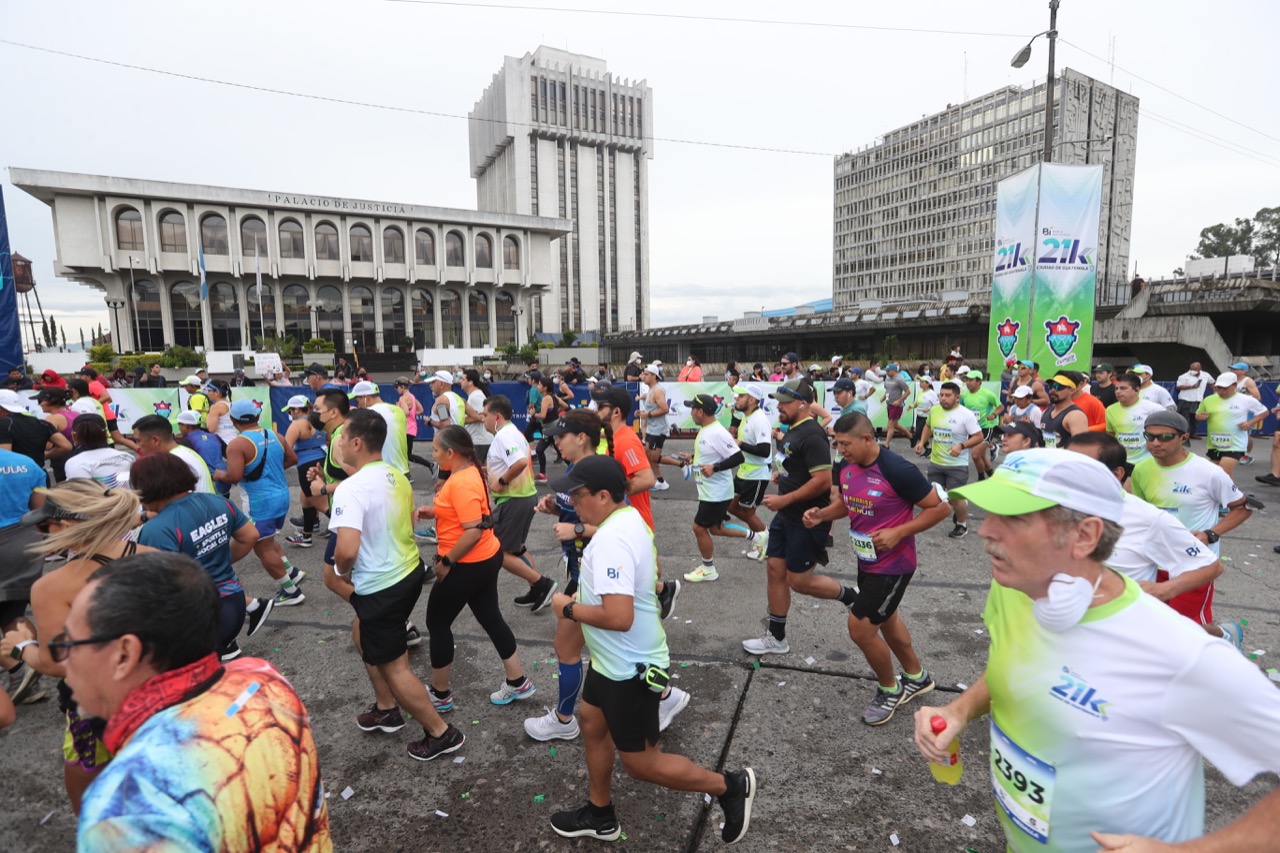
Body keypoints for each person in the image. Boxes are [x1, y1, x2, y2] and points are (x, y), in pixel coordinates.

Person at [912, 448, 1280, 853]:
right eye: (991, 513)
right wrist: (958, 710)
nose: (985, 530)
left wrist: (1187, 852)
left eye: (1012, 518)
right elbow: (1013, 667)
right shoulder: (1015, 589)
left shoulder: (1180, 654)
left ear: (1084, 536)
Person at [545, 455, 757, 844]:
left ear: (604, 495)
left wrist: (568, 607)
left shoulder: (611, 538)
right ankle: (600, 813)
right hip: (610, 662)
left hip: (629, 668)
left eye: (577, 495)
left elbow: (618, 615)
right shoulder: (624, 520)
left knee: (642, 763)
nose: (572, 502)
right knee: (592, 723)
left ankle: (729, 786)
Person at [62, 552, 333, 850]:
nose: (63, 661)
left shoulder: (127, 809)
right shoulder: (262, 677)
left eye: (70, 644)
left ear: (124, 654)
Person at [801, 413, 948, 724]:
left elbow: (940, 508)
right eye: (836, 444)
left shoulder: (897, 469)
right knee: (887, 618)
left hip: (894, 565)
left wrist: (899, 531)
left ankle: (890, 689)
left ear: (867, 439)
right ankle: (917, 677)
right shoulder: (846, 467)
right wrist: (821, 514)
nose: (840, 450)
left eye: (845, 444)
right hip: (866, 559)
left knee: (861, 628)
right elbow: (849, 502)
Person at [413, 424, 535, 714]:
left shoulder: (461, 481)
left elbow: (472, 531)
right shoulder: (468, 473)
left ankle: (440, 694)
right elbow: (473, 514)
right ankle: (518, 682)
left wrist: (446, 562)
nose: (433, 454)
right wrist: (436, 511)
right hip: (484, 559)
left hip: (468, 563)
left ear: (451, 453)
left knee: (438, 623)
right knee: (491, 618)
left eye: (435, 450)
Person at [1065, 431, 1226, 631]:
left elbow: (1210, 566)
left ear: (1116, 474)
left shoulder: (1148, 518)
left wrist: (1163, 590)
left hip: (1126, 630)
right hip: (1068, 623)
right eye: (1066, 467)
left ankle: (1225, 635)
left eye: (1083, 469)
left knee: (1183, 633)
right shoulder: (1053, 508)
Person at [132, 453, 273, 661]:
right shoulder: (218, 502)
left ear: (146, 487)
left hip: (199, 617)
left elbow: (158, 590)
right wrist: (218, 560)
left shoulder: (157, 529)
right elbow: (250, 535)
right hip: (233, 602)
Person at [1130, 410, 1251, 649]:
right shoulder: (1141, 469)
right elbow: (1143, 513)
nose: (1155, 443)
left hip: (1194, 565)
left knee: (1186, 628)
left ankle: (1226, 636)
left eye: (1165, 437)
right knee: (1159, 624)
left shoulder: (1209, 472)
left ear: (1184, 437)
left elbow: (1242, 508)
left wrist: (1210, 533)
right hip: (1156, 561)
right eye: (1150, 436)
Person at [741, 378, 844, 656]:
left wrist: (785, 498)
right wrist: (782, 474)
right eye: (778, 400)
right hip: (785, 517)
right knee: (774, 569)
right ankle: (777, 637)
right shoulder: (793, 431)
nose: (779, 406)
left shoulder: (812, 434)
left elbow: (823, 481)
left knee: (799, 582)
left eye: (785, 401)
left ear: (802, 404)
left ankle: (850, 596)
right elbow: (796, 465)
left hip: (806, 519)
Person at [215, 399, 305, 607]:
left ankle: (291, 592)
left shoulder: (237, 444)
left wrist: (220, 475)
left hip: (261, 502)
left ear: (233, 419)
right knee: (268, 540)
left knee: (261, 547)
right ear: (257, 417)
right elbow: (292, 459)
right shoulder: (275, 435)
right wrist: (268, 470)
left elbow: (235, 475)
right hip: (281, 497)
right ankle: (292, 572)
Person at [482, 395, 557, 610]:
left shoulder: (504, 435)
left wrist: (501, 481)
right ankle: (538, 589)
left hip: (514, 499)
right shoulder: (512, 433)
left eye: (485, 415)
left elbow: (521, 462)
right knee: (517, 549)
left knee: (499, 551)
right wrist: (492, 471)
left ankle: (543, 584)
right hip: (522, 497)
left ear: (497, 416)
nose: (483, 419)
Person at [0, 443, 55, 707]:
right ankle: (29, 665)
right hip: (24, 542)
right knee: (13, 612)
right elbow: (39, 508)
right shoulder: (25, 462)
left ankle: (17, 668)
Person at [680, 394, 751, 583]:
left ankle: (708, 568)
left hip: (716, 493)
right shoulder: (706, 429)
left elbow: (738, 457)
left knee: (699, 528)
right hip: (709, 490)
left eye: (692, 408)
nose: (691, 412)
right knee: (716, 528)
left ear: (700, 411)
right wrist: (693, 458)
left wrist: (715, 468)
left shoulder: (717, 432)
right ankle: (757, 536)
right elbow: (711, 455)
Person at [916, 381, 984, 539]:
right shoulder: (934, 410)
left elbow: (978, 436)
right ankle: (960, 505)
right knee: (935, 496)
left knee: (955, 497)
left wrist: (961, 445)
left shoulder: (966, 415)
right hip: (936, 462)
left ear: (957, 397)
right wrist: (922, 442)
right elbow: (928, 426)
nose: (943, 398)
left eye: (948, 396)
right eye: (941, 395)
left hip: (957, 464)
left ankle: (961, 525)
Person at [728, 384, 772, 561]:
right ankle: (763, 533)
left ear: (752, 400)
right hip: (744, 471)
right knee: (730, 506)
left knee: (747, 513)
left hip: (757, 475)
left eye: (740, 396)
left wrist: (740, 444)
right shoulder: (746, 416)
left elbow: (765, 450)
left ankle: (765, 541)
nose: (736, 398)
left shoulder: (760, 419)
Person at [1195, 371, 1268, 476]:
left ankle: (1227, 492)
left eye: (1225, 388)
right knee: (1217, 475)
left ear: (1235, 385)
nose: (1222, 391)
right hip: (1215, 443)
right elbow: (1198, 414)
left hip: (1235, 444)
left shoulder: (1246, 400)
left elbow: (1264, 412)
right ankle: (1230, 492)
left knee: (1224, 471)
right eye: (1219, 388)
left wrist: (1249, 423)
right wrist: (1199, 417)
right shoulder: (1208, 400)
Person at [282, 395, 330, 548]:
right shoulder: (320, 421)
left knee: (320, 503)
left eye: (290, 411)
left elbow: (286, 448)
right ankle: (307, 535)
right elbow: (328, 440)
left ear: (296, 409)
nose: (290, 414)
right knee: (307, 498)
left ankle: (350, 528)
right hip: (323, 461)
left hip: (306, 464)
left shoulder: (296, 425)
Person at [132, 413, 215, 493]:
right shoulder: (187, 452)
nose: (137, 446)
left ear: (155, 440)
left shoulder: (171, 463)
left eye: (138, 440)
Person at [1103, 373, 1168, 476]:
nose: (1118, 392)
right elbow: (1110, 435)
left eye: (1123, 388)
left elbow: (1169, 433)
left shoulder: (1154, 409)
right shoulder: (1110, 410)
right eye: (1116, 388)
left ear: (1137, 390)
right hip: (1122, 461)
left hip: (1148, 461)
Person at [637, 364, 685, 490]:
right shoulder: (651, 390)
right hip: (653, 429)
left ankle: (681, 465)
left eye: (647, 374)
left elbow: (665, 409)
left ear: (654, 376)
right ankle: (661, 481)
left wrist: (648, 414)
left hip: (658, 430)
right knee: (650, 456)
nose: (644, 376)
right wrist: (642, 413)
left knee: (653, 457)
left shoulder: (657, 390)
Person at [350, 380, 410, 479]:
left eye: (358, 401)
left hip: (383, 472)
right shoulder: (398, 411)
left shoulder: (369, 414)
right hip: (403, 471)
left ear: (366, 398)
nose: (358, 405)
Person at [0, 388, 69, 470]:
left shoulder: (4, 424)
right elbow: (66, 446)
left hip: (14, 474)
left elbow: (5, 456)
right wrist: (44, 456)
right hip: (39, 472)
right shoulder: (41, 423)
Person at [63, 414, 133, 488]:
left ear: (74, 436)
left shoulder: (75, 463)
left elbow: (82, 492)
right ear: (106, 433)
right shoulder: (127, 457)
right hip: (127, 498)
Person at [176, 409, 231, 497]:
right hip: (223, 481)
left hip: (207, 483)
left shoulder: (187, 441)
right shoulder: (214, 436)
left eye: (180, 426)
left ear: (185, 426)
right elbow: (229, 455)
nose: (179, 429)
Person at [961, 371, 1004, 480]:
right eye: (967, 380)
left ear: (979, 381)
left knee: (975, 455)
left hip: (986, 427)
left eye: (971, 380)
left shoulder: (988, 394)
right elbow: (961, 410)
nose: (968, 383)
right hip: (972, 429)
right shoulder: (964, 395)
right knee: (982, 456)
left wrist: (994, 415)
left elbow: (1000, 407)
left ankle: (981, 478)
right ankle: (992, 478)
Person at [35, 387, 77, 482]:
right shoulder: (75, 413)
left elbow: (47, 446)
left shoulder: (52, 419)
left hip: (63, 461)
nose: (39, 404)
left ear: (49, 401)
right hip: (78, 456)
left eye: (40, 400)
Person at [1040, 372, 1088, 449]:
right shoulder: (1045, 412)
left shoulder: (1075, 415)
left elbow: (1081, 447)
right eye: (1051, 386)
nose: (1053, 390)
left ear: (1072, 390)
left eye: (1058, 387)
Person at [396, 377, 433, 473]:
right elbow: (420, 410)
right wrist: (411, 414)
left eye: (397, 387)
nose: (397, 390)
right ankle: (406, 473)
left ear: (402, 387)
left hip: (405, 428)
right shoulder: (412, 397)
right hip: (412, 428)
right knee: (405, 454)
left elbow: (405, 412)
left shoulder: (403, 398)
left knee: (406, 455)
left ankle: (430, 465)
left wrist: (396, 410)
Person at [459, 369, 491, 471]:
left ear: (470, 382)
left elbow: (481, 417)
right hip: (479, 440)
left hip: (480, 441)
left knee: (476, 471)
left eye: (463, 379)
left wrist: (460, 420)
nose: (460, 381)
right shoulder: (473, 396)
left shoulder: (476, 396)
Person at [880, 363, 913, 449]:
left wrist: (899, 400)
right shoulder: (887, 378)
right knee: (895, 425)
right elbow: (888, 390)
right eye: (886, 371)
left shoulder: (899, 379)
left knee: (890, 424)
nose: (886, 372)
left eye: (888, 371)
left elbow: (908, 391)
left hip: (896, 405)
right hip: (889, 403)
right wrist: (884, 397)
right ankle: (911, 436)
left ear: (894, 371)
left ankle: (886, 445)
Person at [1174, 361, 1210, 438]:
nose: (1193, 371)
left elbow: (1212, 382)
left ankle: (1193, 434)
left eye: (1195, 369)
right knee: (1185, 418)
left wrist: (1215, 391)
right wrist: (1191, 386)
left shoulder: (1205, 375)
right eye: (1191, 369)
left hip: (1198, 400)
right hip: (1186, 400)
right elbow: (1178, 386)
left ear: (1200, 369)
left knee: (1195, 418)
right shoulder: (1183, 376)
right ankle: (1184, 434)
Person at [204, 380, 240, 451]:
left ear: (217, 392)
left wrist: (207, 417)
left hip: (223, 443)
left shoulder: (216, 407)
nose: (208, 394)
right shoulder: (233, 405)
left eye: (209, 391)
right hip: (236, 441)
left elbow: (211, 429)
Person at [908, 376, 938, 454]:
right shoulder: (920, 392)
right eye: (920, 382)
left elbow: (937, 405)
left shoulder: (931, 393)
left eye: (922, 382)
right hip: (919, 415)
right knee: (922, 433)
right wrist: (911, 406)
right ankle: (928, 447)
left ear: (928, 384)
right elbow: (917, 403)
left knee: (918, 432)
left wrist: (928, 409)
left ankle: (913, 439)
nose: (920, 384)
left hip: (927, 416)